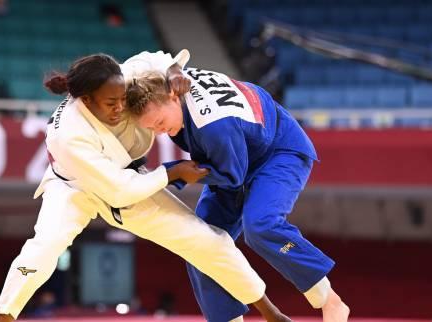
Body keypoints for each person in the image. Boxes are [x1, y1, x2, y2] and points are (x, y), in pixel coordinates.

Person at [0, 51, 290, 322]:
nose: (120, 107)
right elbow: (120, 191)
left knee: (208, 240)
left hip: (130, 175)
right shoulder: (70, 135)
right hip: (74, 187)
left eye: (122, 98)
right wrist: (172, 172)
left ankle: (270, 312)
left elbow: (156, 58)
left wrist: (174, 71)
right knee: (45, 247)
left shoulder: (125, 77)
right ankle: (4, 316)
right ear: (86, 100)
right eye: (111, 104)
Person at [125, 68, 350, 322]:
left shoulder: (213, 126)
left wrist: (172, 173)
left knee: (260, 225)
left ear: (173, 97)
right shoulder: (172, 80)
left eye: (159, 122)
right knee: (199, 243)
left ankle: (330, 300)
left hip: (278, 152)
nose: (159, 131)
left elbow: (232, 176)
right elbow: (171, 61)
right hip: (237, 153)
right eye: (151, 127)